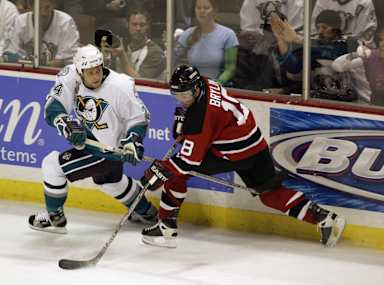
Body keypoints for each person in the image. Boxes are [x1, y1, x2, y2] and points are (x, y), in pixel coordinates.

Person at [140, 64, 346, 248]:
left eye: (185, 95)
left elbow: (188, 161)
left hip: (231, 153)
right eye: (177, 95)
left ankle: (166, 228)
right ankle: (324, 218)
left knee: (176, 174)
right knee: (269, 194)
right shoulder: (206, 83)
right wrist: (184, 125)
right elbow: (194, 132)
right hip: (255, 145)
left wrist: (161, 169)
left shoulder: (202, 116)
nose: (181, 100)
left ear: (195, 89)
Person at [28, 44, 157, 233]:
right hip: (92, 140)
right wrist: (65, 123)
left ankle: (55, 218)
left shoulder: (119, 86)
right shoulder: (69, 76)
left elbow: (139, 118)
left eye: (98, 70)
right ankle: (146, 211)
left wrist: (133, 139)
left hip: (107, 149)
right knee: (110, 183)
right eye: (90, 73)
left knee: (52, 165)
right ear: (80, 72)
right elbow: (52, 106)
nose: (96, 76)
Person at [271, 10, 357, 101]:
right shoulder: (313, 47)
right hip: (320, 98)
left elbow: (332, 53)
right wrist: (280, 39)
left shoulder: (346, 44)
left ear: (336, 30)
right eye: (318, 27)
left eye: (324, 27)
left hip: (346, 100)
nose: (320, 31)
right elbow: (293, 67)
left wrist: (298, 39)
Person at [174, 0, 238, 84]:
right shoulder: (188, 33)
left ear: (214, 10)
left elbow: (230, 70)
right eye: (198, 8)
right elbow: (172, 57)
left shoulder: (228, 35)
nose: (201, 11)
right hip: (193, 87)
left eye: (206, 8)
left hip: (217, 89)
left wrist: (214, 86)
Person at [2, 0, 79, 67]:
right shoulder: (20, 22)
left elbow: (62, 61)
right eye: (39, 8)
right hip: (26, 73)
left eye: (47, 7)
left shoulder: (65, 22)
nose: (43, 13)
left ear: (53, 5)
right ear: (31, 7)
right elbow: (11, 54)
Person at [102, 6, 165, 80]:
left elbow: (140, 83)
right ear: (128, 25)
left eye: (142, 25)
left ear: (147, 26)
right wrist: (105, 59)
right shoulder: (122, 45)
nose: (138, 28)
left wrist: (122, 56)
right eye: (134, 24)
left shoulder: (156, 52)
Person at [332, 29, 384, 106]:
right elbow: (337, 66)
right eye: (381, 40)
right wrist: (354, 55)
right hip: (376, 104)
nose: (382, 44)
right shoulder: (372, 56)